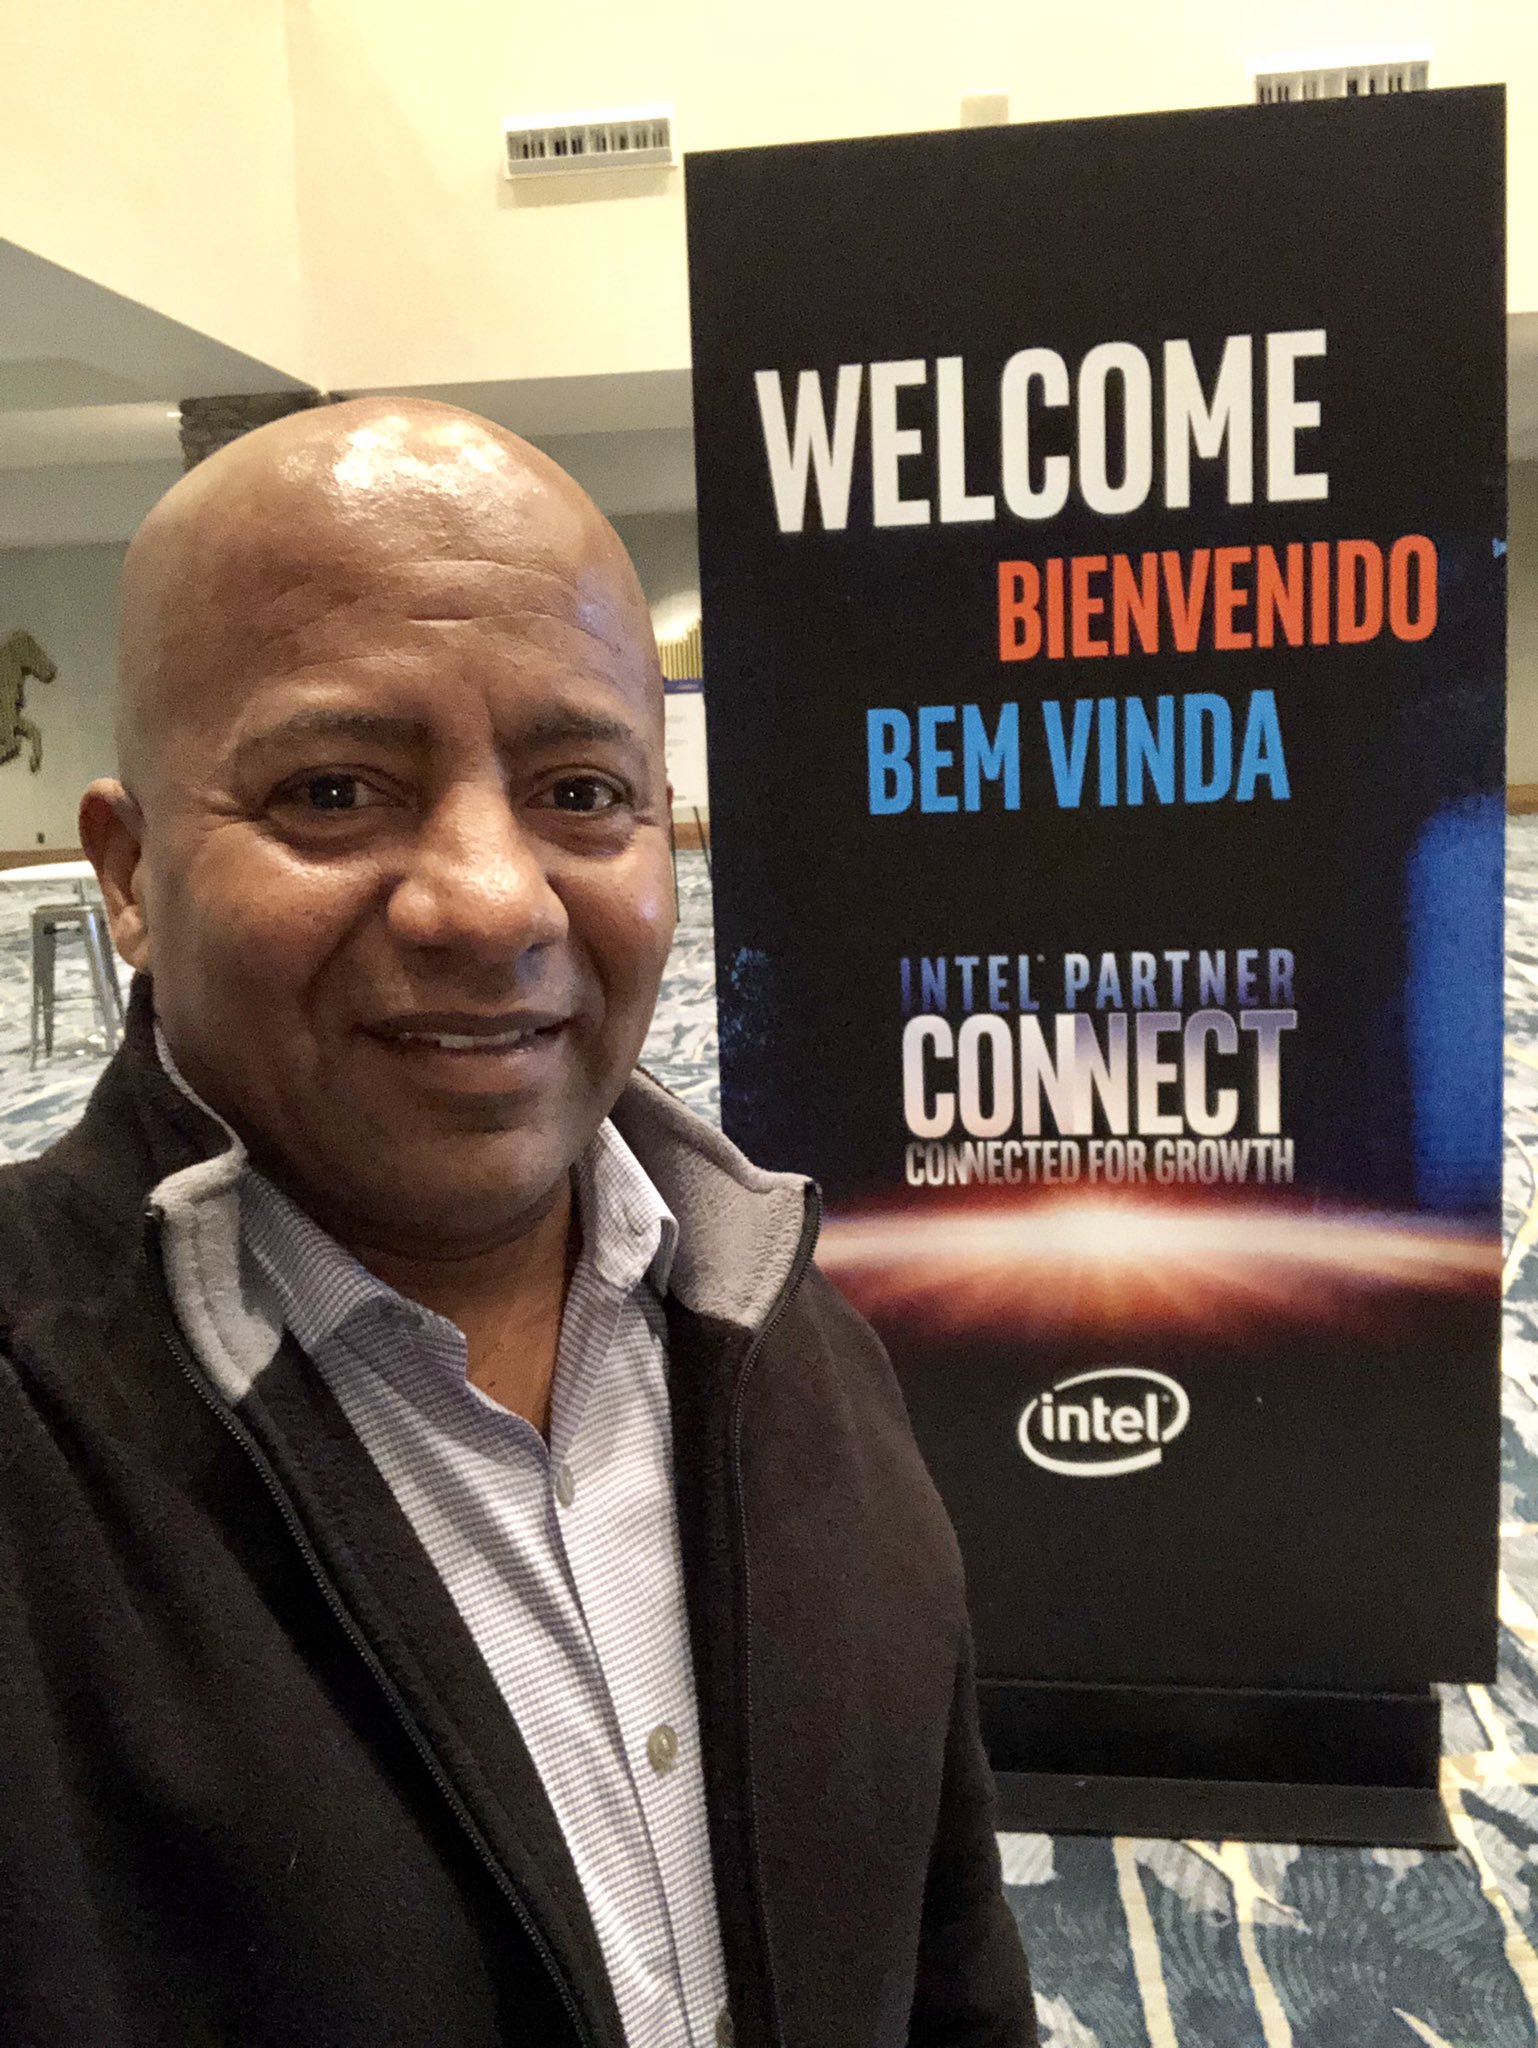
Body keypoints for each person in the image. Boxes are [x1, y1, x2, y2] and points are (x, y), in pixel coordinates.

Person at [0, 398, 1035, 2047]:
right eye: (333, 790)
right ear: (128, 875)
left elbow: (945, 1957)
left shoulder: (789, 1338)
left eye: (580, 791)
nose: (490, 902)